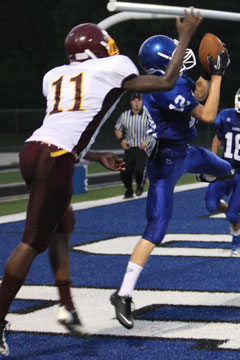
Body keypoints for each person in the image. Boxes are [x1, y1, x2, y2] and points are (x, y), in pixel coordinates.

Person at [0, 9, 202, 357]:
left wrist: (96, 157)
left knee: (65, 225)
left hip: (32, 150)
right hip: (55, 160)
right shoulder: (113, 66)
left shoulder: (55, 76)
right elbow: (165, 83)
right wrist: (184, 37)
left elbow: (66, 126)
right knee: (32, 242)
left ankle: (67, 307)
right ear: (98, 48)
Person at [110, 31, 233, 329]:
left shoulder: (170, 81)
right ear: (163, 65)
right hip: (165, 164)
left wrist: (208, 71)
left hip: (186, 152)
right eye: (175, 56)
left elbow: (197, 94)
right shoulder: (163, 89)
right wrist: (217, 77)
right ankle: (123, 293)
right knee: (156, 228)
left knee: (226, 170)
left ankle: (206, 174)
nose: (182, 57)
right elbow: (208, 114)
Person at [204, 89, 240, 257]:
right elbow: (218, 138)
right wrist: (213, 160)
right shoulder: (227, 116)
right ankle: (232, 214)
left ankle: (236, 241)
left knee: (233, 215)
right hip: (226, 170)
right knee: (211, 204)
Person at [115, 93, 148, 198]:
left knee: (139, 170)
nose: (137, 103)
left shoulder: (148, 115)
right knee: (124, 172)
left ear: (142, 102)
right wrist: (121, 140)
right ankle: (129, 190)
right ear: (131, 102)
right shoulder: (124, 115)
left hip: (142, 149)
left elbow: (155, 130)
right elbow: (117, 128)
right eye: (134, 100)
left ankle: (139, 185)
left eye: (139, 100)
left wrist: (147, 141)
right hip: (129, 148)